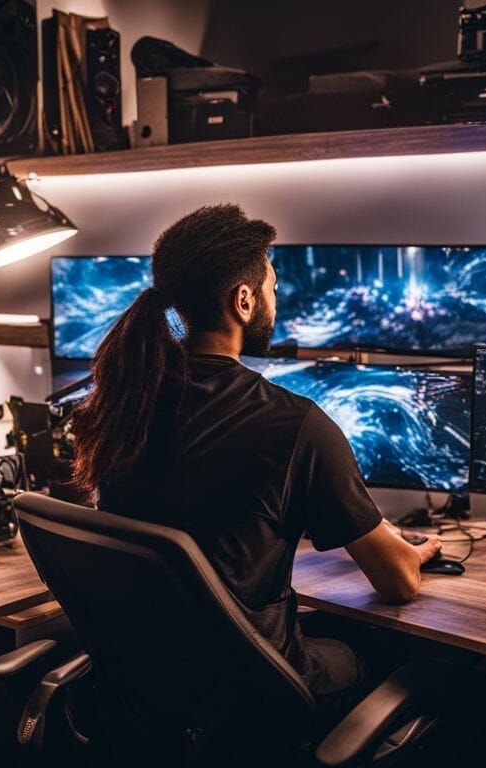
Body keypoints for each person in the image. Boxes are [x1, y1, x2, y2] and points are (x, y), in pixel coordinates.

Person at [71, 204, 442, 698]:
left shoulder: (125, 405)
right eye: (271, 286)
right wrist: (412, 552)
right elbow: (398, 583)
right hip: (254, 692)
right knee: (434, 664)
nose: (276, 296)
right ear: (242, 301)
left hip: (153, 693)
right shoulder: (296, 423)